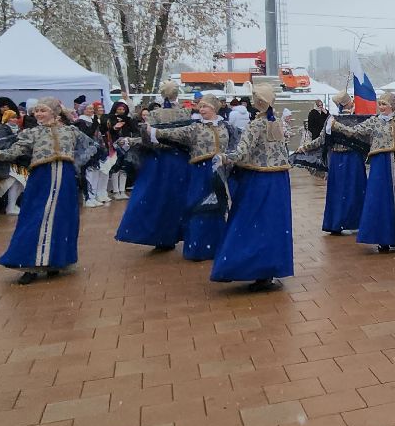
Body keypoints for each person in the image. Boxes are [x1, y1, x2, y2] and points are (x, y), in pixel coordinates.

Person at [0, 97, 96, 285]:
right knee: (35, 218)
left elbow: (91, 147)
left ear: (55, 112)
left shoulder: (71, 131)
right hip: (42, 178)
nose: (39, 114)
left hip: (65, 180)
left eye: (43, 110)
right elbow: (14, 151)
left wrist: (76, 164)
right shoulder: (31, 133)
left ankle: (54, 262)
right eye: (37, 111)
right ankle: (28, 264)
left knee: (61, 219)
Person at [211, 83, 292, 288]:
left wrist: (224, 158)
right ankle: (269, 268)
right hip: (279, 180)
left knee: (250, 221)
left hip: (258, 180)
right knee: (274, 224)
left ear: (257, 103)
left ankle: (248, 267)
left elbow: (242, 153)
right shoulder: (277, 123)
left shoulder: (255, 125)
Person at [115, 83, 193, 252]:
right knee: (181, 197)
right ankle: (186, 234)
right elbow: (190, 137)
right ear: (176, 94)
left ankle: (162, 237)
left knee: (158, 198)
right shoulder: (185, 112)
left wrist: (132, 141)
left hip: (159, 161)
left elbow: (147, 139)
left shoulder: (154, 114)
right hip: (182, 159)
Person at [342, 96, 395, 253]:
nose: (381, 107)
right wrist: (336, 126)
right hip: (380, 164)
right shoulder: (374, 121)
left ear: (392, 106)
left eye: (384, 104)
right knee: (381, 198)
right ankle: (383, 237)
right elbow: (354, 131)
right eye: (380, 104)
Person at [164, 95, 231, 262]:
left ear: (214, 108)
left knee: (218, 206)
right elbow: (172, 133)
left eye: (205, 107)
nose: (201, 110)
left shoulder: (226, 127)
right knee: (198, 206)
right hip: (200, 172)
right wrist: (153, 131)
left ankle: (217, 245)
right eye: (200, 107)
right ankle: (198, 247)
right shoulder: (195, 128)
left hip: (220, 170)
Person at [315, 93, 369, 235]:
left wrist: (305, 148)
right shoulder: (357, 119)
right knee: (355, 189)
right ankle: (358, 221)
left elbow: (322, 140)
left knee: (338, 191)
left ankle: (336, 222)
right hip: (354, 159)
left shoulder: (331, 119)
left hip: (338, 159)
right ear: (348, 103)